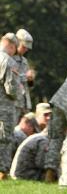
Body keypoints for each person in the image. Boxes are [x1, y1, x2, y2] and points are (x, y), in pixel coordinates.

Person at [0, 33, 20, 180]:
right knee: (5, 138)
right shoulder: (9, 61)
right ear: (12, 46)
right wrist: (18, 92)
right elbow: (11, 89)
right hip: (4, 106)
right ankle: (2, 172)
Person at [14, 29, 35, 119]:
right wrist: (25, 76)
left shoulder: (24, 61)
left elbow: (28, 85)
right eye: (24, 46)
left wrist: (30, 79)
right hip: (11, 104)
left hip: (24, 104)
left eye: (27, 48)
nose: (26, 49)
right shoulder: (6, 59)